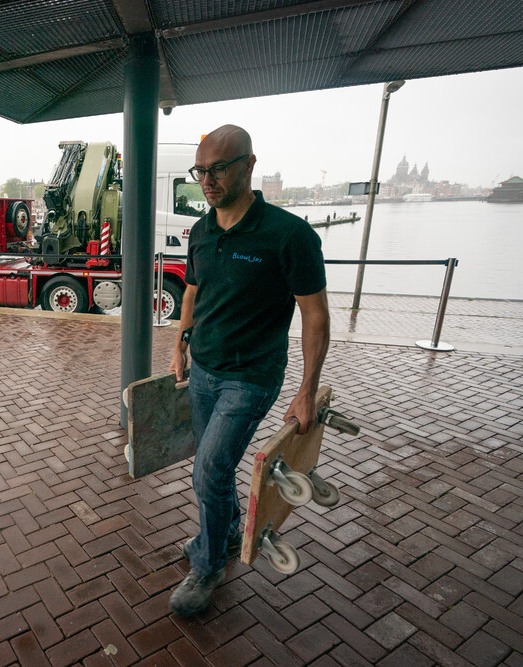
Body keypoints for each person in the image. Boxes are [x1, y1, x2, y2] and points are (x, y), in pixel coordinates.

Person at [168, 125, 330, 616]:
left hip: (252, 376)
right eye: (201, 171)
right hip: (205, 370)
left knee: (209, 467)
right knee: (211, 467)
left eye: (218, 168)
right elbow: (193, 292)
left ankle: (211, 562)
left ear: (249, 164)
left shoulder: (288, 235)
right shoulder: (200, 230)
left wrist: (307, 390)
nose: (208, 180)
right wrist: (179, 347)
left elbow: (315, 314)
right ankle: (225, 532)